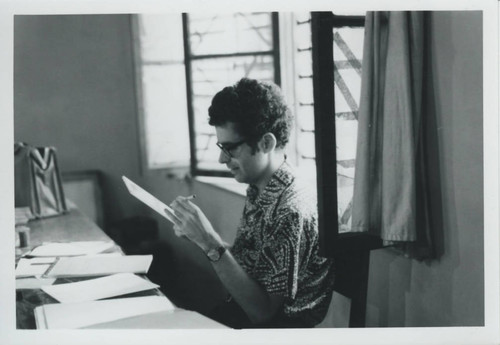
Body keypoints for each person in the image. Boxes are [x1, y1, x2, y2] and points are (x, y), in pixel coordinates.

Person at [169, 78, 334, 328]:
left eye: (230, 148)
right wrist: (199, 237)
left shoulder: (291, 210)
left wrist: (210, 242)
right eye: (220, 146)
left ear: (266, 143)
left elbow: (264, 314)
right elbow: (252, 270)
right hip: (241, 316)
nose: (222, 158)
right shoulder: (262, 186)